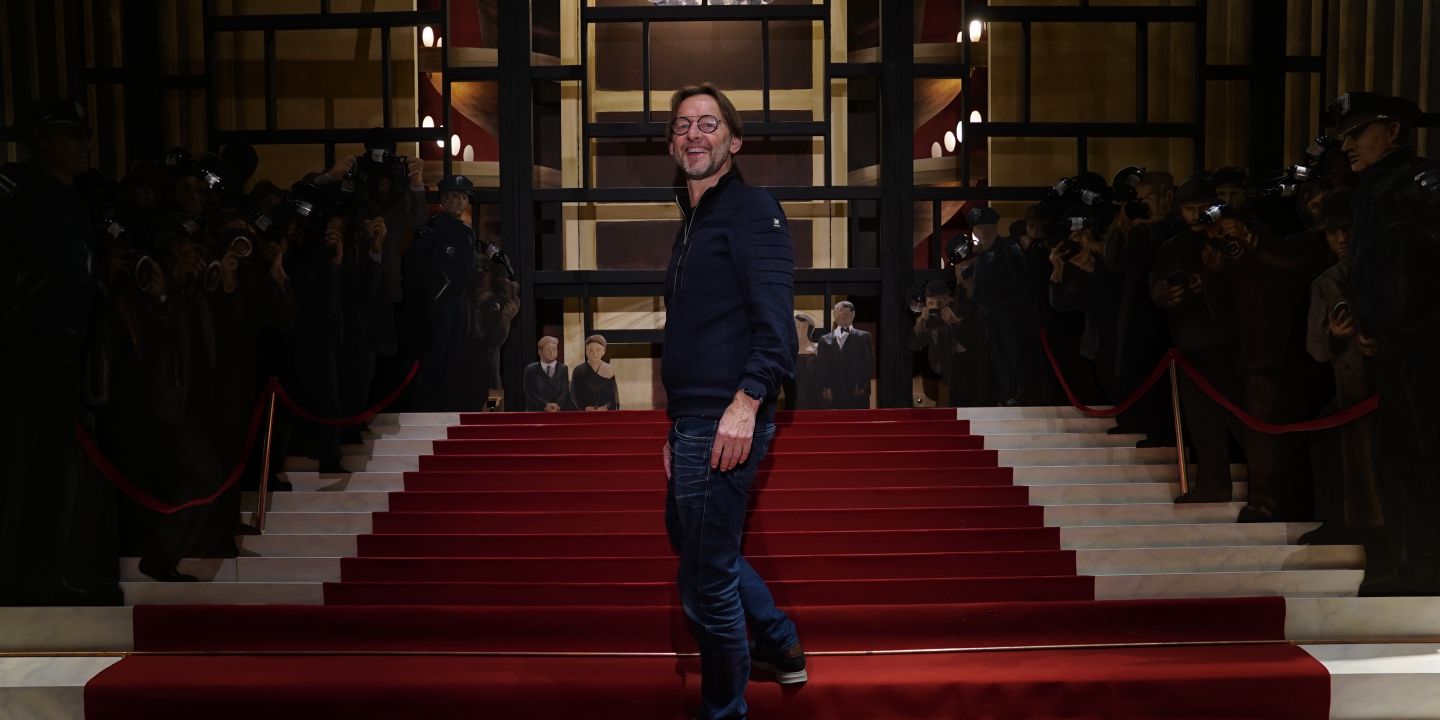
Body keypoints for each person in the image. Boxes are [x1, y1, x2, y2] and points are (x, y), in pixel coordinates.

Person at [659, 82, 804, 720]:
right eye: (683, 125)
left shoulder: (752, 209)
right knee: (694, 544)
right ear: (672, 144)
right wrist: (675, 428)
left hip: (727, 417)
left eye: (708, 124)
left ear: (733, 142)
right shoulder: (693, 223)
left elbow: (776, 326)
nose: (694, 133)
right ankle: (778, 641)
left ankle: (725, 711)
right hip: (693, 421)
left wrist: (746, 404)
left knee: (705, 581)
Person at [0, 99, 120, 605]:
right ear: (43, 141)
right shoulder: (17, 191)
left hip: (64, 353)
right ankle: (14, 575)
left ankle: (47, 572)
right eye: (72, 135)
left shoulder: (76, 199)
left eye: (85, 134)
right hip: (21, 352)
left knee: (55, 471)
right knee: (19, 467)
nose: (85, 144)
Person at [1329, 91, 1440, 594]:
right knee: (1398, 459)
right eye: (1344, 136)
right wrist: (1371, 324)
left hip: (1428, 347)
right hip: (1398, 350)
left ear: (1392, 131)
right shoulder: (1369, 189)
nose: (1347, 145)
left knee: (1426, 455)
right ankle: (1416, 566)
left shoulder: (1420, 182)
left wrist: (1410, 322)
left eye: (1358, 132)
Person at [404, 174, 477, 410]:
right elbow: (417, 267)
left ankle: (446, 405)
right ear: (443, 199)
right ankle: (429, 407)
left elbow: (467, 272)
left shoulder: (467, 233)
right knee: (433, 356)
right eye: (453, 196)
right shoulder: (430, 229)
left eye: (463, 197)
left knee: (454, 357)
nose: (458, 202)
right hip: (434, 304)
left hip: (458, 304)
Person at [968, 205, 1041, 406]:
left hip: (1011, 314)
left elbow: (1024, 284)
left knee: (1015, 354)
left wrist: (1008, 307)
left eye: (987, 227)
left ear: (994, 228)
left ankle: (1022, 392)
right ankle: (1006, 392)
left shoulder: (1009, 249)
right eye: (979, 228)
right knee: (997, 357)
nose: (983, 232)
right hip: (991, 315)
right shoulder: (979, 255)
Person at [815, 300, 873, 409]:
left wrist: (862, 386)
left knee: (857, 418)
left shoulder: (864, 337)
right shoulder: (824, 339)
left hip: (856, 390)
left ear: (853, 315)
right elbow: (822, 366)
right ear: (834, 314)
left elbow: (868, 363)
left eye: (847, 314)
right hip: (834, 391)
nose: (844, 317)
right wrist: (825, 387)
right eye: (840, 313)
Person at [570, 334, 619, 411]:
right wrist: (584, 408)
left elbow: (613, 397)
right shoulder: (578, 370)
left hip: (604, 413)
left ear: (603, 351)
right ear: (586, 351)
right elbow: (574, 395)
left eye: (598, 350)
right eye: (591, 350)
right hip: (583, 413)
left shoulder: (609, 369)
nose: (594, 354)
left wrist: (606, 407)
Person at [523, 336, 572, 412]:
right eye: (548, 349)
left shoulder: (563, 368)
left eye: (554, 349)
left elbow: (564, 392)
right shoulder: (530, 369)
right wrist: (545, 405)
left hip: (556, 411)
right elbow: (529, 393)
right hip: (535, 412)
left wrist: (556, 405)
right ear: (540, 352)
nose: (551, 352)